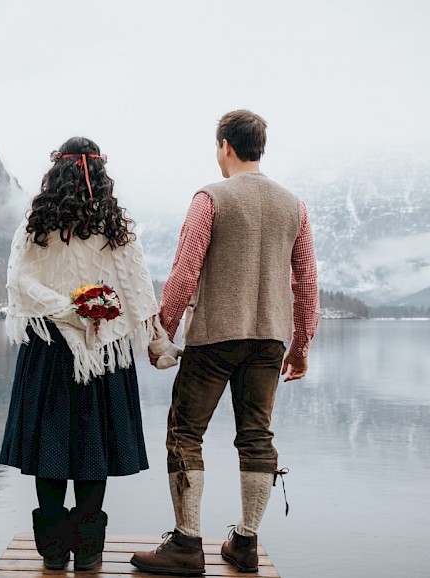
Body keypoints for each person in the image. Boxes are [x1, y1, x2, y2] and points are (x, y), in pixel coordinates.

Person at [130, 110, 319, 575]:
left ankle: (187, 545)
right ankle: (246, 543)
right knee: (256, 437)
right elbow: (307, 280)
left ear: (225, 146)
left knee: (185, 432)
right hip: (270, 338)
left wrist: (162, 335)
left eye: (218, 147)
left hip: (215, 335)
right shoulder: (294, 205)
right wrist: (301, 346)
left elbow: (185, 270)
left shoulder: (209, 198)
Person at [0, 136, 160, 571]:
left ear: (55, 173)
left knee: (49, 449)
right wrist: (97, 314)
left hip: (47, 347)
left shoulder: (35, 224)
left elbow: (19, 281)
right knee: (93, 449)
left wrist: (61, 309)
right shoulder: (116, 227)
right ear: (101, 175)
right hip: (101, 349)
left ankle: (53, 552)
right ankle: (88, 550)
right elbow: (136, 289)